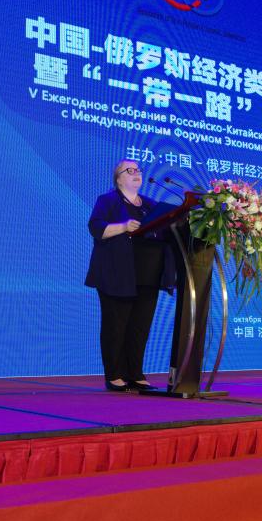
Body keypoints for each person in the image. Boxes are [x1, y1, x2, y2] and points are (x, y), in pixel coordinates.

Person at [85, 159, 175, 391]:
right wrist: (124, 226)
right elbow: (96, 228)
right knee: (116, 325)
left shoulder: (151, 205)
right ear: (118, 178)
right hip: (116, 274)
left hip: (148, 274)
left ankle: (135, 373)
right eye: (130, 170)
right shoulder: (108, 201)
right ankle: (114, 374)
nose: (136, 173)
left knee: (140, 326)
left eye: (138, 170)